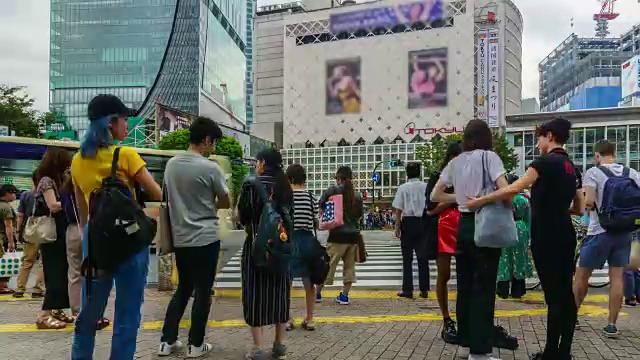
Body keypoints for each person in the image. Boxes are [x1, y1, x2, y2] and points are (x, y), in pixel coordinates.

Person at [467, 117, 584, 360]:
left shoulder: (543, 163)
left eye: (540, 137)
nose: (538, 142)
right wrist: (555, 206)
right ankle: (564, 351)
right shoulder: (572, 167)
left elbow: (513, 188)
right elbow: (580, 208)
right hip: (565, 233)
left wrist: (480, 201)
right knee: (564, 292)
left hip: (546, 235)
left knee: (553, 296)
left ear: (550, 136)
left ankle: (551, 353)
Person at [71, 94, 162, 359]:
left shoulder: (77, 161)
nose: (127, 125)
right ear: (111, 123)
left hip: (96, 243)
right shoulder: (127, 155)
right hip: (129, 242)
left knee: (89, 312)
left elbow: (84, 212)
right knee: (127, 314)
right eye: (124, 119)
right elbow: (156, 192)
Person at [431, 119, 517, 360]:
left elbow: (435, 194)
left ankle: (468, 340)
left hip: (463, 226)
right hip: (485, 223)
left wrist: (460, 199)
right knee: (484, 288)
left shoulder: (455, 162)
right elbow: (507, 190)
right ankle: (479, 352)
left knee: (465, 286)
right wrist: (484, 199)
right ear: (486, 137)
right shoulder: (489, 158)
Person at [158, 116, 230, 357]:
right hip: (205, 237)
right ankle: (196, 345)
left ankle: (167, 341)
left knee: (183, 289)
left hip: (180, 238)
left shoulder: (171, 165)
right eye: (214, 142)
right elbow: (226, 200)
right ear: (207, 140)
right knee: (203, 291)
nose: (214, 147)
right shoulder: (210, 167)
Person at [574, 140, 639, 338]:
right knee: (617, 277)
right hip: (624, 233)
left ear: (597, 155)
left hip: (599, 232)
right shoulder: (632, 173)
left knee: (582, 276)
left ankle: (572, 316)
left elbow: (589, 202)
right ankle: (611, 324)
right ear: (614, 154)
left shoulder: (594, 172)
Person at [237, 148, 293, 360]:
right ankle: (279, 345)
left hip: (255, 247)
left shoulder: (251, 185)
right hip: (281, 248)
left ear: (262, 162)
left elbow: (243, 218)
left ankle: (258, 348)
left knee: (255, 294)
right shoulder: (285, 187)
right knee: (280, 294)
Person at [425, 141, 461, 342]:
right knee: (444, 274)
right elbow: (430, 208)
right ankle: (446, 317)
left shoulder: (468, 176)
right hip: (443, 229)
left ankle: (464, 316)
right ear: (450, 157)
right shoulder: (437, 178)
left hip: (465, 227)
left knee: (466, 275)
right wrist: (454, 199)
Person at [35, 147, 75, 329]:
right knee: (54, 272)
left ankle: (57, 309)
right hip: (52, 234)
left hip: (61, 231)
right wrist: (72, 201)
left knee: (62, 271)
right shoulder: (46, 181)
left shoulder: (59, 179)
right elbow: (53, 205)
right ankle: (44, 315)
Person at [316, 166, 364, 305]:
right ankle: (344, 296)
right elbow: (360, 215)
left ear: (338, 177)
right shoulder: (357, 195)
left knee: (328, 265)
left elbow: (321, 205)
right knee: (349, 267)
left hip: (337, 234)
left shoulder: (333, 190)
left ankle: (318, 293)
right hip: (353, 236)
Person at [285, 164, 319, 331]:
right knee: (309, 283)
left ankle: (288, 319)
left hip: (289, 242)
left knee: (286, 282)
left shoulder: (285, 197)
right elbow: (316, 222)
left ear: (289, 179)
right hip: (307, 240)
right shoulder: (311, 197)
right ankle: (310, 318)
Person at [392, 161, 430, 299]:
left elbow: (398, 208)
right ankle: (424, 289)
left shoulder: (403, 188)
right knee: (423, 257)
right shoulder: (426, 187)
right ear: (419, 172)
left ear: (407, 173)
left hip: (408, 223)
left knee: (407, 259)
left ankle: (407, 290)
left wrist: (397, 226)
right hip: (422, 222)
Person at [496, 174, 534, 300]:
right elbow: (529, 219)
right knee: (519, 259)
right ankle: (518, 290)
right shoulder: (524, 200)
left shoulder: (504, 199)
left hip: (505, 228)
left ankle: (503, 289)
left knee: (505, 258)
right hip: (521, 229)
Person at [13, 173, 45, 298]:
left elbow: (20, 215)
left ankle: (20, 288)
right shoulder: (51, 195)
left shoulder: (26, 195)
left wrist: (19, 231)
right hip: (46, 231)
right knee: (44, 262)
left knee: (27, 261)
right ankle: (38, 289)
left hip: (30, 230)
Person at [60, 169, 83, 317]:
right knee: (93, 272)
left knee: (74, 273)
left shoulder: (63, 191)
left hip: (72, 230)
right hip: (87, 228)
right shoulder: (84, 187)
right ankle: (93, 311)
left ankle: (76, 311)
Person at [0, 184, 18, 295]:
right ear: (7, 194)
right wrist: (11, 242)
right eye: (14, 193)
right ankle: (1, 286)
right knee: (2, 262)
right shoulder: (5, 207)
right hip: (1, 238)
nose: (15, 195)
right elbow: (8, 226)